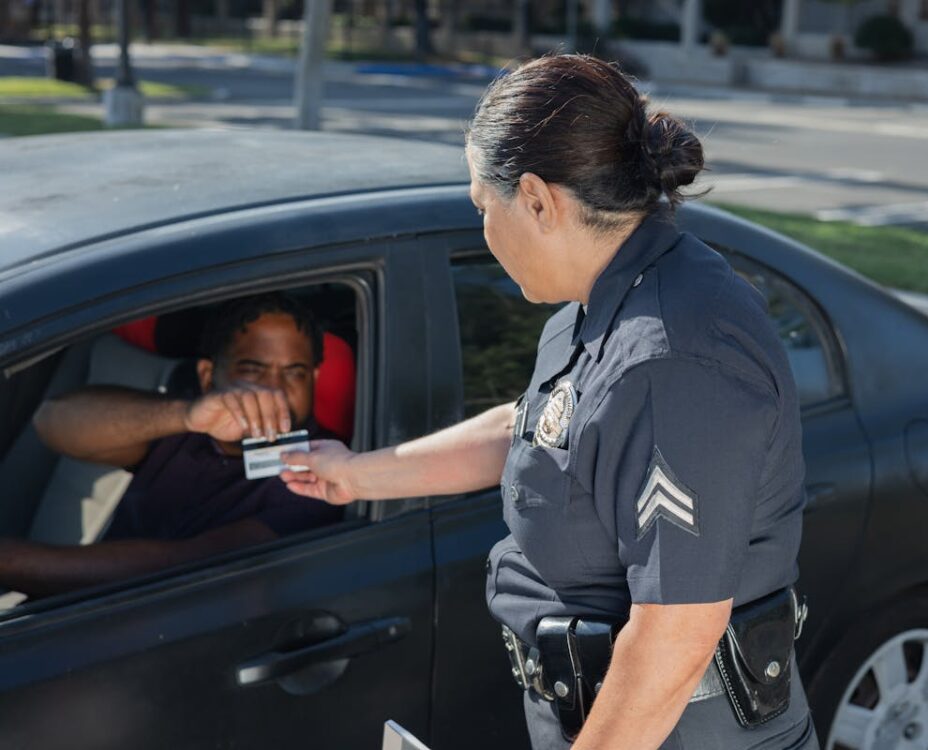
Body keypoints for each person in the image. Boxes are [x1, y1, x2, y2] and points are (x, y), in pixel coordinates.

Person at [281, 55, 817, 750]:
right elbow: (537, 430)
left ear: (536, 199)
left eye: (482, 206)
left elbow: (675, 632)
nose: (482, 229)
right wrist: (355, 473)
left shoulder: (670, 358)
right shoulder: (604, 297)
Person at [3, 293, 342, 599]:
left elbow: (177, 566)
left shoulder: (322, 468)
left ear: (313, 379)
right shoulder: (189, 424)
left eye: (294, 373)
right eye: (252, 370)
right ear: (208, 376)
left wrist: (8, 561)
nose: (273, 389)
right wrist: (186, 416)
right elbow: (52, 422)